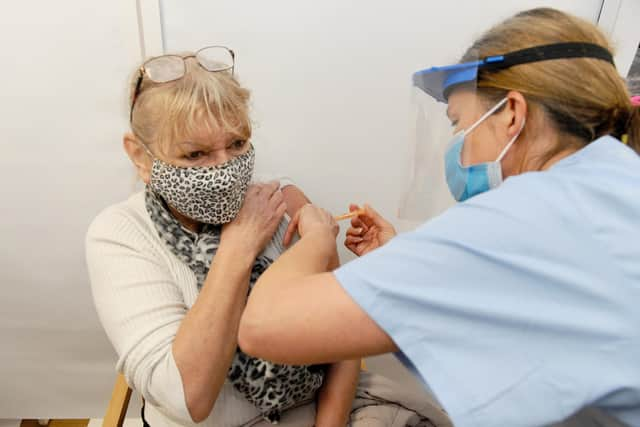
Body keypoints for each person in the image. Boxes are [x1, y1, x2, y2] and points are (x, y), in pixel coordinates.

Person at [238, 8, 640, 427]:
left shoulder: (522, 216)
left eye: (458, 124)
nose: (457, 148)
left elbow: (262, 326)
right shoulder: (613, 183)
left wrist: (319, 235)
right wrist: (400, 259)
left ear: (512, 114)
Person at [86, 47, 451, 427]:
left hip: (318, 412)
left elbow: (340, 342)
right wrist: (239, 247)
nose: (224, 169)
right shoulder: (120, 234)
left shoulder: (282, 199)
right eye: (195, 154)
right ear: (140, 156)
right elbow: (187, 398)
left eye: (237, 144)